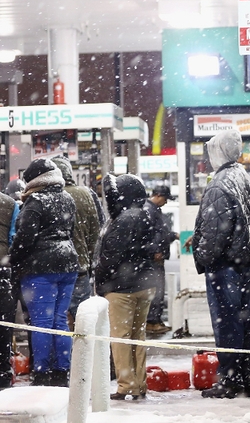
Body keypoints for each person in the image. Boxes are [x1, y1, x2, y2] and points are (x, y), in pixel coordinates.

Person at [192, 130, 250, 399]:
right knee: (245, 324)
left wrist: (203, 256)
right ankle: (246, 377)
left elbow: (214, 233)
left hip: (225, 266)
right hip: (244, 264)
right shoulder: (241, 175)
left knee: (227, 324)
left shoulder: (219, 183)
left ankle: (229, 380)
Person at [9, 159, 80, 387]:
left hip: (41, 268)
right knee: (60, 319)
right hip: (68, 264)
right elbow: (72, 230)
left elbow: (24, 239)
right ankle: (62, 371)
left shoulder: (36, 201)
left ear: (34, 180)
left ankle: (41, 373)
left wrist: (14, 260)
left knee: (41, 322)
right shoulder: (67, 198)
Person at [94, 174, 158, 400]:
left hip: (122, 288)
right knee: (137, 336)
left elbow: (111, 258)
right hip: (145, 284)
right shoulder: (146, 214)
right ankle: (140, 383)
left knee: (120, 337)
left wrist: (100, 280)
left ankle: (125, 385)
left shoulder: (123, 220)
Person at [51, 157, 103, 330]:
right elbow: (95, 233)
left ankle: (61, 356)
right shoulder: (85, 194)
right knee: (85, 322)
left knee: (56, 322)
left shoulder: (47, 196)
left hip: (51, 271)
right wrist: (88, 261)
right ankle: (88, 356)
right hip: (80, 269)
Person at [144, 184, 179, 335]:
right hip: (154, 259)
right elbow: (149, 234)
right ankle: (152, 321)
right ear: (158, 195)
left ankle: (155, 320)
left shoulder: (154, 210)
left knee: (158, 289)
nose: (166, 202)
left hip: (157, 257)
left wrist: (173, 235)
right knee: (156, 290)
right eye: (165, 198)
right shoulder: (149, 210)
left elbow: (161, 233)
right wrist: (155, 251)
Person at [0, 189, 18, 389]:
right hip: (2, 270)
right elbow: (14, 237)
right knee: (3, 326)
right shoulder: (9, 204)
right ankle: (3, 373)